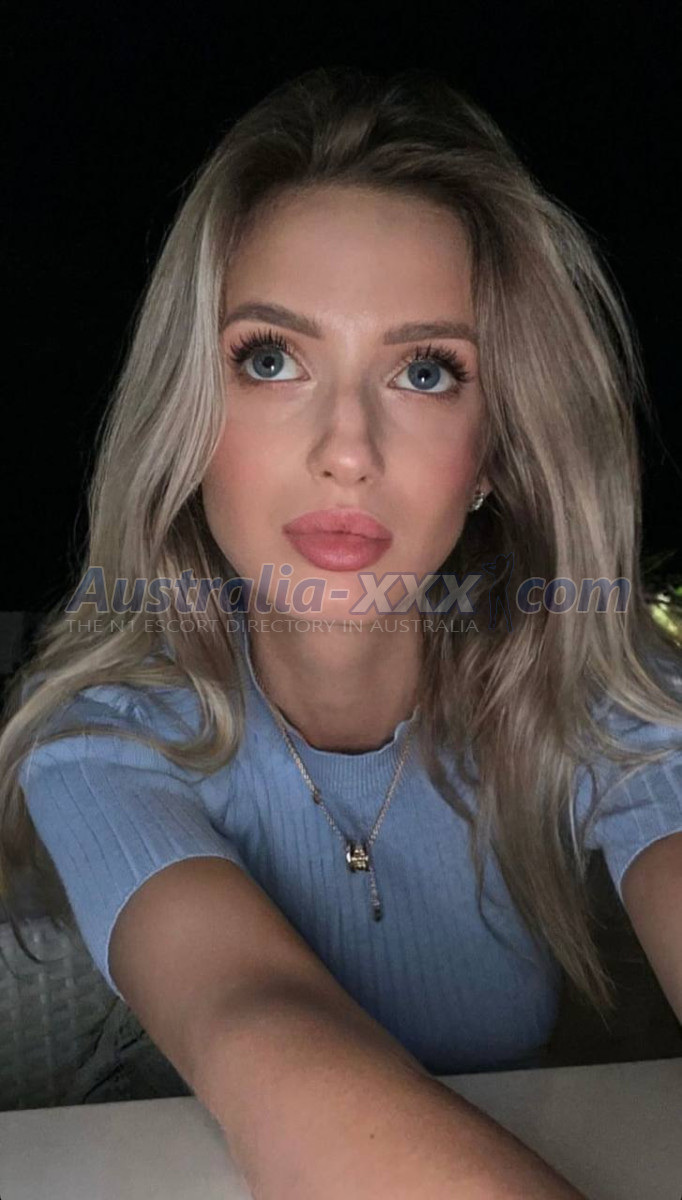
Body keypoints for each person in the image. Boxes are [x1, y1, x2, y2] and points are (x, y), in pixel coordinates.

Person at [1, 64, 681, 1198]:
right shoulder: (107, 730)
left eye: (425, 371)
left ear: (495, 453)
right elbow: (254, 1017)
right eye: (271, 359)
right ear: (187, 416)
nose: (348, 449)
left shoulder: (579, 674)